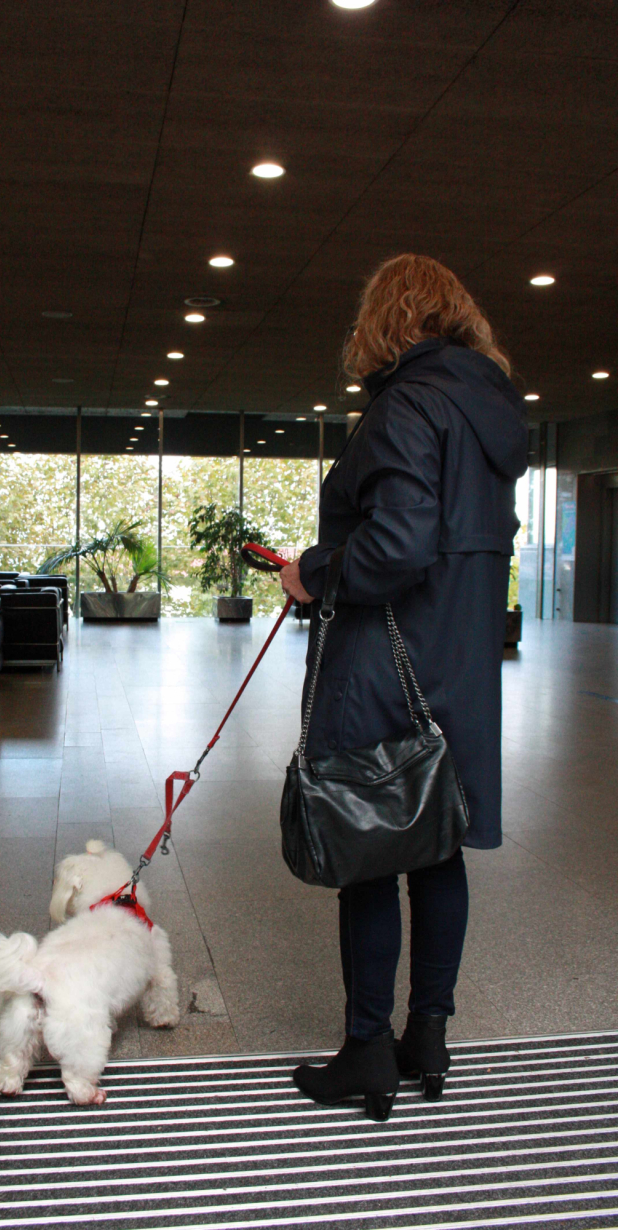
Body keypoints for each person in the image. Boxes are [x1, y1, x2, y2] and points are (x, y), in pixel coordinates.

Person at [279, 254, 528, 1120]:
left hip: (387, 670)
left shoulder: (404, 407)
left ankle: (366, 1051)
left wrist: (312, 571)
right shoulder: (492, 413)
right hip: (461, 669)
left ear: (386, 319)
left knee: (370, 853)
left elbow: (395, 547)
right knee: (439, 847)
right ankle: (429, 1035)